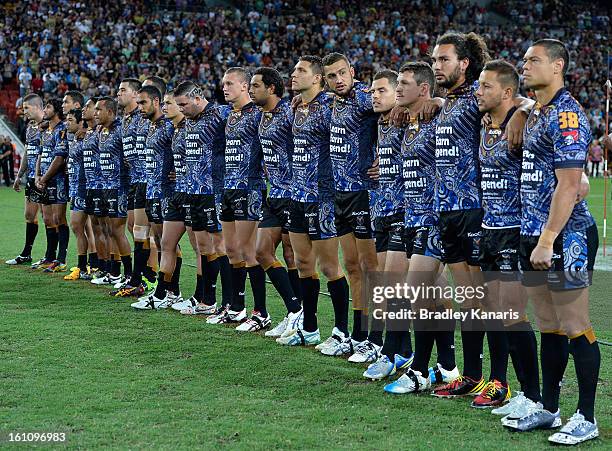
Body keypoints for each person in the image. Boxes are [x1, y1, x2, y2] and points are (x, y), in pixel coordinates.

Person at [504, 39, 600, 446]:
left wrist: (547, 240)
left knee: (576, 325)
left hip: (566, 235)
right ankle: (548, 406)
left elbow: (568, 186)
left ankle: (587, 416)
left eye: (534, 61)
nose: (525, 66)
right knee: (549, 325)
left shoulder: (566, 115)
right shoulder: (537, 111)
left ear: (558, 66)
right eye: (524, 60)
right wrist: (520, 109)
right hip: (533, 233)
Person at [276, 55, 348, 347]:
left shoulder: (332, 105)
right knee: (304, 262)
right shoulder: (296, 107)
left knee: (331, 267)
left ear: (318, 78)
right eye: (294, 70)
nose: (294, 74)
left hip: (322, 196)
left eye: (301, 71)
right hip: (297, 194)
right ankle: (310, 327)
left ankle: (341, 331)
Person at [321, 52, 379, 355]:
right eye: (332, 76)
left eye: (342, 73)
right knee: (353, 267)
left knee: (372, 268)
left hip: (364, 192)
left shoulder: (365, 98)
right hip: (340, 194)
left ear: (352, 72)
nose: (338, 80)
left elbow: (399, 108)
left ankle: (378, 339)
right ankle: (358, 334)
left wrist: (387, 155)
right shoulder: (328, 103)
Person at [249, 67, 303, 334]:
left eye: (256, 85)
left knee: (294, 255)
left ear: (271, 88)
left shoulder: (290, 112)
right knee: (261, 251)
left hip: (295, 194)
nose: (251, 90)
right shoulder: (262, 116)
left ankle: (301, 316)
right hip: (274, 194)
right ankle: (295, 309)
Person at [129, 85, 180, 309]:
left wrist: (181, 168)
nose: (139, 107)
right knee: (160, 242)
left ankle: (167, 292)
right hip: (151, 191)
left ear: (156, 101)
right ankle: (171, 292)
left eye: (143, 103)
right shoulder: (151, 126)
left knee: (168, 243)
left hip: (166, 192)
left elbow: (185, 148)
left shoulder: (169, 126)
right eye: (138, 103)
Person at [6, 94, 45, 266]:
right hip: (31, 177)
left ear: (37, 107)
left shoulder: (49, 126)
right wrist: (19, 175)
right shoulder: (30, 127)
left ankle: (54, 257)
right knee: (30, 215)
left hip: (46, 178)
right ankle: (27, 254)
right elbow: (28, 152)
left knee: (51, 218)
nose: (23, 112)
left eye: (26, 108)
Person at [35, 98, 69, 273]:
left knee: (58, 219)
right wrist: (37, 176)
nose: (45, 110)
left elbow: (59, 158)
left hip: (57, 181)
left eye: (47, 107)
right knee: (47, 219)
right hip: (43, 181)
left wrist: (44, 178)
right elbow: (41, 155)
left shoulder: (62, 130)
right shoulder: (45, 131)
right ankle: (49, 256)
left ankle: (61, 259)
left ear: (56, 111)